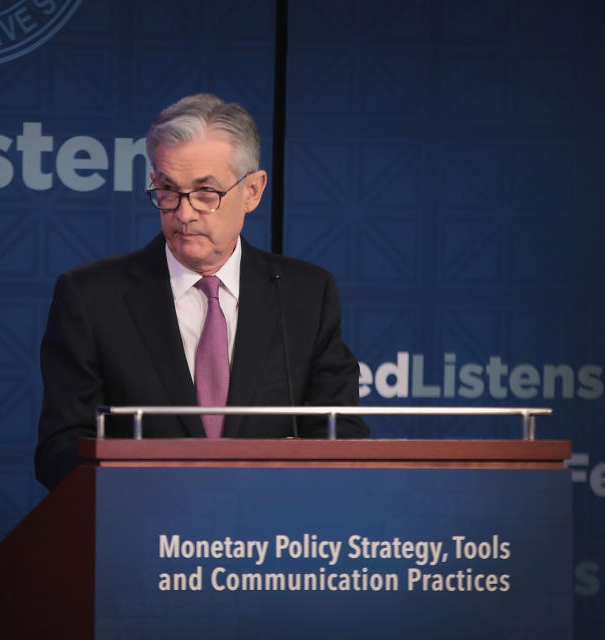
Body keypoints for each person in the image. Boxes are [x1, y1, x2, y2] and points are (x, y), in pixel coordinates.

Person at [35, 93, 368, 489]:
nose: (184, 212)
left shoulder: (305, 296)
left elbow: (341, 438)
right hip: (143, 532)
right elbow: (59, 452)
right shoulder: (92, 298)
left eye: (206, 194)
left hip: (274, 531)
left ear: (253, 191)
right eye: (167, 191)